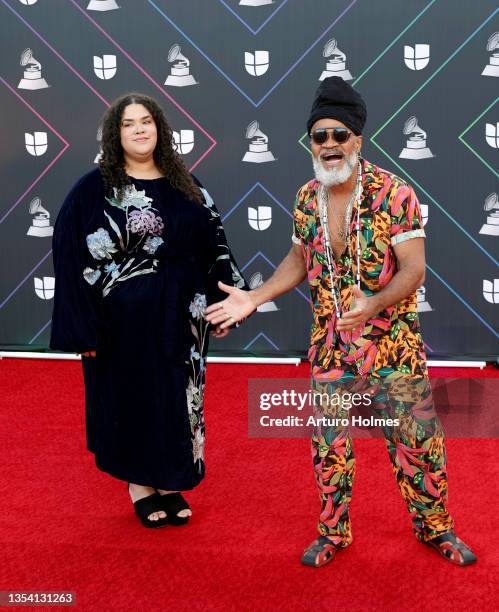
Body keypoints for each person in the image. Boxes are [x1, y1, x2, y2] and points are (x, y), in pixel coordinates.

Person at [205, 77, 476, 567]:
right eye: (320, 136)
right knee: (329, 446)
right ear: (311, 142)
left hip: (392, 345)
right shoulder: (307, 197)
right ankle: (333, 533)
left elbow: (414, 269)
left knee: (417, 443)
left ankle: (435, 528)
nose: (329, 145)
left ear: (358, 139)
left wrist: (373, 303)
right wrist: (255, 297)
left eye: (339, 135)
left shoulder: (394, 193)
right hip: (331, 347)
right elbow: (296, 259)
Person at [50, 93, 245, 528]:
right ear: (114, 135)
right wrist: (83, 330)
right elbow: (68, 258)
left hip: (183, 317)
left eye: (146, 122)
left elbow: (215, 247)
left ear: (160, 129)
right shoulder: (92, 190)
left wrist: (226, 303)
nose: (140, 129)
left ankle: (169, 477)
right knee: (132, 397)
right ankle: (139, 482)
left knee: (178, 397)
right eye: (129, 123)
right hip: (119, 324)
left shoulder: (187, 185)